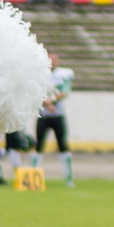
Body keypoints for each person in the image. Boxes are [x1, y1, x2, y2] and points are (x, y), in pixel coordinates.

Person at [35, 52, 75, 187]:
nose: (52, 63)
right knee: (39, 145)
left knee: (62, 145)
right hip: (43, 115)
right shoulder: (40, 75)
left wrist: (51, 100)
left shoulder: (64, 74)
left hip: (58, 114)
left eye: (54, 60)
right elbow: (35, 92)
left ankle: (69, 177)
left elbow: (65, 92)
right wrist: (46, 103)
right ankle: (34, 175)